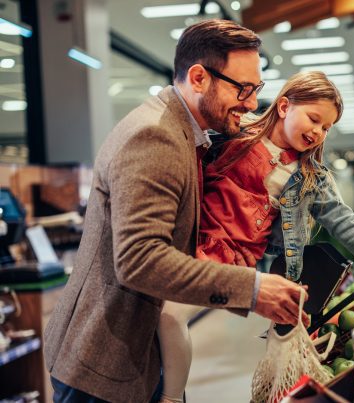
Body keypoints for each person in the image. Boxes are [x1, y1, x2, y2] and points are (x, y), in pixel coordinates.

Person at [43, 19, 308, 403]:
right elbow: (139, 259)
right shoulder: (156, 137)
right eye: (243, 89)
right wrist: (251, 289)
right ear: (199, 78)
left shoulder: (186, 133)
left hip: (135, 353)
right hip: (105, 365)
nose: (252, 103)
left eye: (257, 89)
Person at [157, 71, 354, 403]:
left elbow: (342, 219)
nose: (318, 131)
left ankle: (170, 398)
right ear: (284, 106)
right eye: (314, 118)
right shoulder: (235, 135)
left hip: (232, 260)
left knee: (170, 314)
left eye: (326, 127)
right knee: (159, 316)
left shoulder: (310, 176)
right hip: (187, 240)